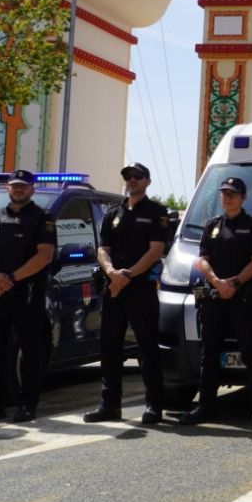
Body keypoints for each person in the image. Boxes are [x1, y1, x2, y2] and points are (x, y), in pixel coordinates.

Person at [87, 163, 172, 426]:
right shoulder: (113, 213)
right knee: (110, 347)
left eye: (137, 177)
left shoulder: (157, 212)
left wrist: (127, 276)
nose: (132, 181)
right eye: (127, 177)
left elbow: (156, 250)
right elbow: (102, 249)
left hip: (140, 287)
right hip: (114, 286)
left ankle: (153, 406)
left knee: (147, 348)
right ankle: (109, 405)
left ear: (147, 181)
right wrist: (112, 272)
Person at [0, 170, 56, 423]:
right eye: (15, 186)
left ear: (32, 189)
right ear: (8, 188)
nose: (19, 189)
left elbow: (44, 256)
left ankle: (28, 405)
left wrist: (12, 278)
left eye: (24, 186)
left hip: (26, 293)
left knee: (30, 350)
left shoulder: (41, 218)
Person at [182, 176, 252, 426]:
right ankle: (205, 407)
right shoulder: (212, 226)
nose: (227, 198)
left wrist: (234, 283)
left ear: (243, 198)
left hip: (242, 297)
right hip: (215, 297)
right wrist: (216, 281)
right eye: (224, 193)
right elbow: (203, 259)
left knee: (250, 351)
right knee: (209, 352)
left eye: (232, 194)